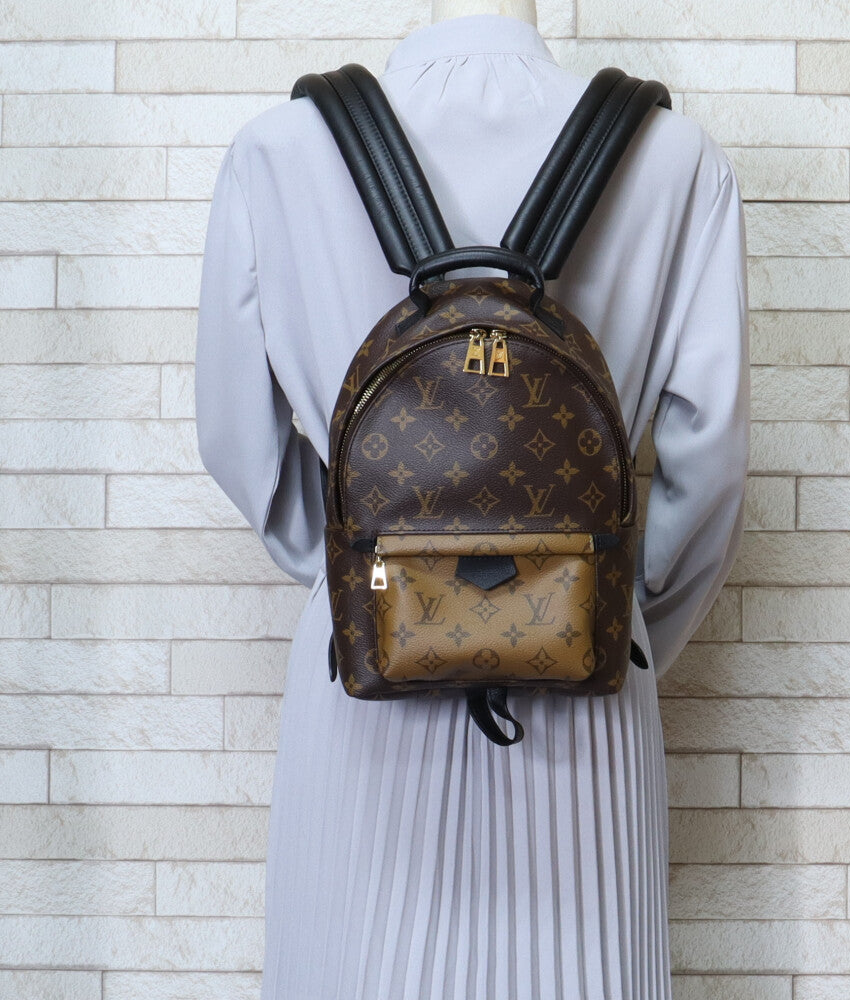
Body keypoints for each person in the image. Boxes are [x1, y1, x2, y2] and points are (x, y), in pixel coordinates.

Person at [195, 9, 748, 999]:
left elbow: (240, 445)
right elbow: (707, 468)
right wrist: (598, 614)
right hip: (586, 700)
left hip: (358, 691)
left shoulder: (277, 153)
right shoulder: (676, 158)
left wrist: (372, 588)